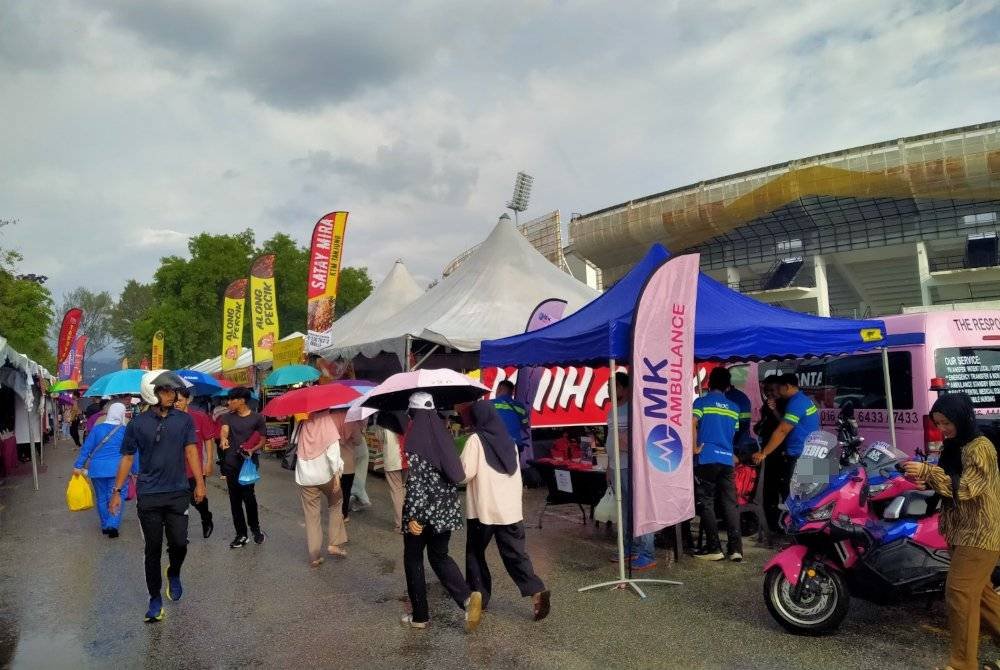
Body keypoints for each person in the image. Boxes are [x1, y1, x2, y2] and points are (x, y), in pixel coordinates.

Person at [902, 393, 1000, 670]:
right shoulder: (954, 446)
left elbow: (967, 488)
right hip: (961, 530)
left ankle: (962, 664)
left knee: (959, 593)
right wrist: (926, 482)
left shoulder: (980, 448)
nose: (942, 428)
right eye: (938, 423)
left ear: (962, 417)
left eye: (946, 422)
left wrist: (929, 473)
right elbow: (948, 483)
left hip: (981, 533)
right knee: (980, 595)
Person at [109, 370, 204, 623]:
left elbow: (192, 451)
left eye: (172, 390)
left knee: (180, 543)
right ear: (153, 393)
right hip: (149, 494)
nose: (172, 394)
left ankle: (173, 572)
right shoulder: (137, 425)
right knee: (152, 548)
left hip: (177, 492)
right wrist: (116, 492)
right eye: (166, 390)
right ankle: (154, 599)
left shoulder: (183, 421)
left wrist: (200, 483)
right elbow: (127, 457)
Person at [400, 392, 482, 631]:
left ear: (413, 412)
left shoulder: (415, 438)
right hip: (445, 510)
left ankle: (420, 616)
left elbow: (417, 482)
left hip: (422, 511)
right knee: (439, 556)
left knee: (413, 559)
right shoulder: (443, 435)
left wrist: (415, 515)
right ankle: (467, 599)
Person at [462, 400, 550, 621]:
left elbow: (465, 473)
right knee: (515, 555)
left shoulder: (476, 440)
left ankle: (479, 596)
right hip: (510, 511)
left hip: (484, 511)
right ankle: (536, 589)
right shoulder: (510, 442)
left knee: (475, 553)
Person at [605, 371, 657, 571]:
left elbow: (643, 437)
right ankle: (631, 547)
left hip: (632, 467)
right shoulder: (612, 411)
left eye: (615, 386)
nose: (611, 390)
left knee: (639, 509)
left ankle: (647, 552)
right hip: (617, 467)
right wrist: (609, 466)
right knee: (625, 511)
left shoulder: (634, 409)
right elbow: (611, 440)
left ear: (625, 388)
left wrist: (628, 442)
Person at [692, 367, 743, 562]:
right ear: (728, 386)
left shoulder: (701, 402)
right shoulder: (734, 408)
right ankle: (736, 549)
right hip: (727, 459)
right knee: (730, 503)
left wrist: (694, 449)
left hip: (707, 458)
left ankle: (714, 548)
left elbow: (692, 423)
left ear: (709, 383)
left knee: (706, 502)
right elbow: (733, 434)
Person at [294, 409, 347, 567]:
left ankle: (314, 555)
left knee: (311, 516)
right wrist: (337, 474)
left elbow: (295, 441)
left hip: (306, 477)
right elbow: (333, 452)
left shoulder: (303, 423)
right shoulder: (326, 422)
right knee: (336, 504)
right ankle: (334, 543)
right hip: (326, 475)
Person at [73, 402, 133, 537]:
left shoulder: (97, 429)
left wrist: (78, 465)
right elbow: (131, 454)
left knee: (101, 498)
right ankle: (113, 524)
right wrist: (136, 470)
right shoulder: (126, 431)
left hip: (97, 470)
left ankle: (105, 524)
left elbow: (86, 449)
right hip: (119, 470)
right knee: (117, 496)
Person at [219, 387, 267, 548]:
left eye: (233, 399)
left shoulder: (257, 418)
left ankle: (255, 529)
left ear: (242, 401)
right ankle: (241, 534)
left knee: (249, 498)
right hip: (231, 464)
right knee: (235, 500)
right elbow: (224, 431)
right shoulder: (227, 417)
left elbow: (261, 439)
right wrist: (224, 439)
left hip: (248, 465)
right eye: (229, 399)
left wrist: (252, 449)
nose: (229, 402)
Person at [752, 373, 819, 484]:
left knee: (793, 493)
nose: (777, 392)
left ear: (787, 386)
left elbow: (782, 430)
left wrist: (764, 453)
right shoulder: (804, 399)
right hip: (811, 451)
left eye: (778, 388)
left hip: (799, 454)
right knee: (809, 493)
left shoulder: (795, 403)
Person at [174, 387, 216, 539]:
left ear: (188, 400)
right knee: (178, 504)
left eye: (179, 400)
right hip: (175, 469)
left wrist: (209, 462)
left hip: (195, 468)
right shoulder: (169, 419)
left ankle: (206, 518)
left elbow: (208, 440)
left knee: (198, 499)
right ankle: (180, 536)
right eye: (174, 401)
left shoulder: (199, 417)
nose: (176, 404)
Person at [754, 375, 789, 534]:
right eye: (766, 390)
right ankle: (771, 523)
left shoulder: (788, 404)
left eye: (772, 390)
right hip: (770, 453)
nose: (769, 394)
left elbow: (784, 427)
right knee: (769, 489)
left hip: (782, 452)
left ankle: (786, 523)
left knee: (787, 489)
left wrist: (774, 410)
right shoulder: (767, 405)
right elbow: (763, 425)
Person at [376, 411, 409, 533]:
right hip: (407, 458)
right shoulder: (406, 415)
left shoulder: (382, 419)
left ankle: (400, 524)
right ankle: (410, 519)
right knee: (405, 488)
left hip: (392, 459)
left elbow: (379, 437)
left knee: (396, 492)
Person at [330, 409, 363, 523]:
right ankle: (344, 514)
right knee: (346, 490)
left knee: (334, 489)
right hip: (348, 463)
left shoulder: (330, 419)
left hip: (333, 461)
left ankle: (334, 512)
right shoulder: (351, 421)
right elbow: (359, 441)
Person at [491, 380, 531, 462]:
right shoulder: (520, 407)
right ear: (512, 392)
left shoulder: (490, 404)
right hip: (515, 445)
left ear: (499, 389)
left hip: (497, 445)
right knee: (514, 472)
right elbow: (525, 425)